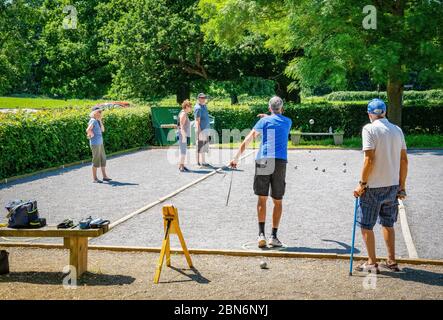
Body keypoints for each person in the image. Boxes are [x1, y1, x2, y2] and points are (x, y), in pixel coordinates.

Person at [353, 98, 408, 274]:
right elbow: (404, 160)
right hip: (392, 185)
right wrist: (402, 186)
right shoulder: (397, 130)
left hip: (373, 186)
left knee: (366, 225)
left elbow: (369, 159)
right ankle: (391, 261)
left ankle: (371, 263)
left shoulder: (369, 129)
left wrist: (361, 184)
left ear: (370, 114)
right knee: (388, 223)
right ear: (384, 112)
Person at [230, 96, 292, 248]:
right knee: (277, 201)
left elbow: (247, 140)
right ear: (282, 108)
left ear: (269, 108)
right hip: (280, 162)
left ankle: (261, 235)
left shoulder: (263, 122)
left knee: (262, 199)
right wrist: (269, 117)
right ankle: (274, 236)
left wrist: (235, 158)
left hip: (264, 159)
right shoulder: (288, 122)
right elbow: (277, 120)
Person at [86, 106, 112, 183]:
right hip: (95, 144)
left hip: (100, 143)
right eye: (99, 112)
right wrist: (91, 134)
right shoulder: (93, 120)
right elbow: (88, 130)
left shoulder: (97, 121)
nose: (101, 113)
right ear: (94, 113)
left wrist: (100, 121)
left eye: (101, 112)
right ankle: (95, 179)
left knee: (103, 159)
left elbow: (103, 130)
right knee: (96, 160)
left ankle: (104, 176)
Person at [194, 93, 211, 168]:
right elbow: (197, 121)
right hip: (201, 130)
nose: (204, 99)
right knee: (199, 146)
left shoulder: (204, 106)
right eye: (202, 98)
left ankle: (203, 162)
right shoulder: (198, 108)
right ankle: (197, 163)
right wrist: (199, 132)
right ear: (198, 98)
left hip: (206, 130)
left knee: (204, 147)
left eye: (204, 97)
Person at [178, 99, 192, 172]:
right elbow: (182, 126)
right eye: (190, 106)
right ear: (186, 106)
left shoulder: (184, 113)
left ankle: (182, 165)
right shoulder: (183, 114)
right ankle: (181, 166)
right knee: (183, 151)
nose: (191, 108)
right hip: (182, 134)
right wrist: (183, 136)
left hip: (183, 134)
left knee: (183, 151)